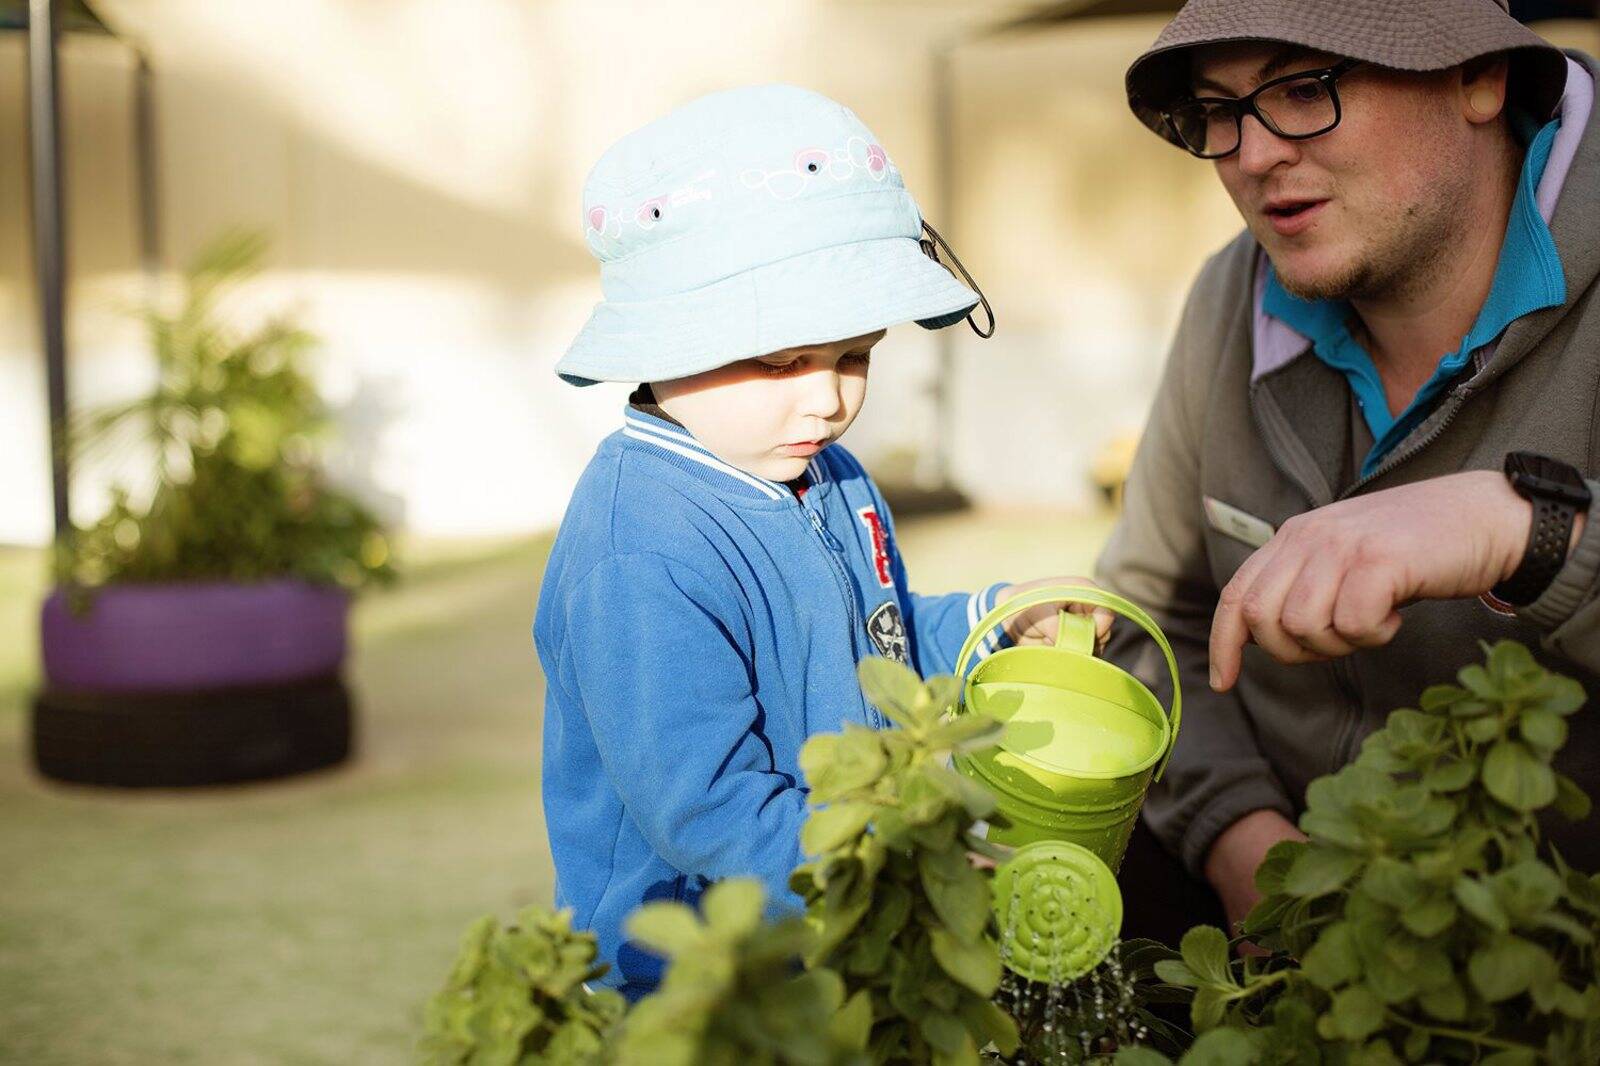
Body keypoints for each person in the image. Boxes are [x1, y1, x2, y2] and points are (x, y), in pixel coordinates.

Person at [536, 84, 1108, 997]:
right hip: (699, 980)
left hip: (840, 930)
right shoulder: (638, 555)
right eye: (779, 362)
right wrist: (899, 867)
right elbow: (709, 812)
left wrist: (993, 620)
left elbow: (875, 639)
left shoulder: (826, 474)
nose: (827, 400)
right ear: (661, 343)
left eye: (855, 357)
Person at [1097, 0, 1600, 946]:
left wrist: (1525, 532)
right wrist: (1240, 841)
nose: (1250, 158)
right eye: (1218, 109)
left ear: (1479, 78)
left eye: (1301, 89)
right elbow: (1146, 621)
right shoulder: (1231, 293)